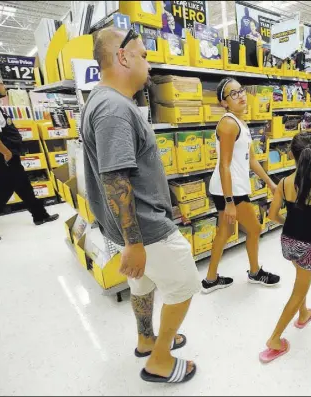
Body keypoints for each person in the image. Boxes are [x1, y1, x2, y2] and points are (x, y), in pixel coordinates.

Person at [82, 27, 201, 383]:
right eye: (144, 55)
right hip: (145, 230)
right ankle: (159, 361)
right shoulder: (114, 108)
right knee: (184, 287)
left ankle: (146, 339)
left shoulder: (104, 101)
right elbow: (116, 179)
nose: (148, 63)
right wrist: (134, 242)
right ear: (123, 57)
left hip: (137, 226)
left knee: (143, 285)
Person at [260, 132, 311, 363]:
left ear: (290, 154)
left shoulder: (283, 183)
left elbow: (272, 215)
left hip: (288, 241)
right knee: (299, 290)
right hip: (310, 246)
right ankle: (274, 339)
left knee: (300, 279)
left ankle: (303, 314)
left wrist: (288, 222)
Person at [202, 78, 280, 293]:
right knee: (255, 229)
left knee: (223, 233)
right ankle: (255, 272)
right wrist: (229, 202)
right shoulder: (228, 124)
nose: (241, 96)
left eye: (241, 91)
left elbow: (252, 160)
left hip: (228, 188)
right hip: (231, 190)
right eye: (233, 94)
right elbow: (224, 166)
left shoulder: (240, 123)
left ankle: (210, 279)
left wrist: (270, 183)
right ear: (224, 103)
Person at [0, 73, 58, 243]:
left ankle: (40, 215)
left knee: (23, 185)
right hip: (3, 157)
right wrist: (6, 152)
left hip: (4, 157)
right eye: (2, 84)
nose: (5, 87)